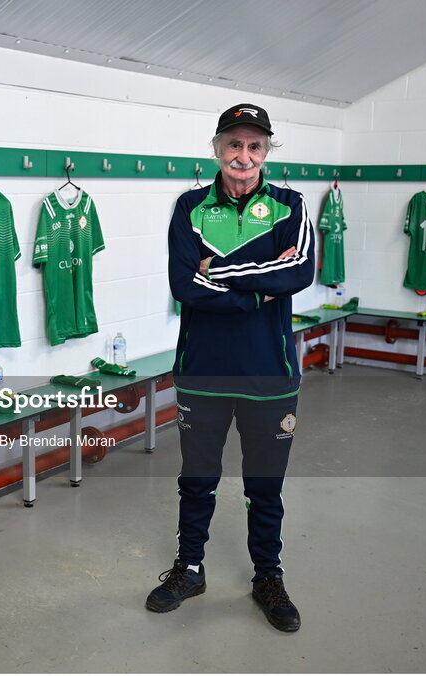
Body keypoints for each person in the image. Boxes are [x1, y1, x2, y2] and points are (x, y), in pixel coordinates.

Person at [147, 103, 315, 632]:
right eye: (234, 145)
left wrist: (219, 272)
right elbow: (182, 284)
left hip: (270, 369)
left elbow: (301, 269)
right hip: (203, 368)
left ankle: (268, 575)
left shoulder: (291, 204)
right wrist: (257, 294)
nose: (244, 156)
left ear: (267, 151)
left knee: (265, 484)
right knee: (197, 479)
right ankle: (189, 568)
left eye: (255, 146)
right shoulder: (189, 205)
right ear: (217, 149)